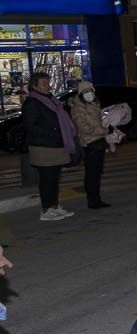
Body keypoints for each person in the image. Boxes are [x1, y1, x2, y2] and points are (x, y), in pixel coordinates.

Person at [21, 71, 77, 221]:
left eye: (48, 82)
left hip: (56, 145)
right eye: (44, 83)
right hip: (43, 147)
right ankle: (46, 210)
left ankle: (54, 206)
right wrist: (54, 132)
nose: (48, 86)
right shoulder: (32, 102)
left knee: (54, 179)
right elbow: (31, 126)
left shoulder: (51, 100)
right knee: (47, 179)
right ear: (35, 86)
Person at [70, 80, 110, 209]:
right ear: (81, 93)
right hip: (89, 143)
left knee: (97, 173)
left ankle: (96, 198)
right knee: (92, 173)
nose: (90, 94)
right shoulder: (78, 108)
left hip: (98, 141)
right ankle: (93, 200)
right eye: (86, 92)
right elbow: (83, 127)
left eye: (91, 91)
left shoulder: (94, 104)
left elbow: (99, 121)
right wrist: (101, 130)